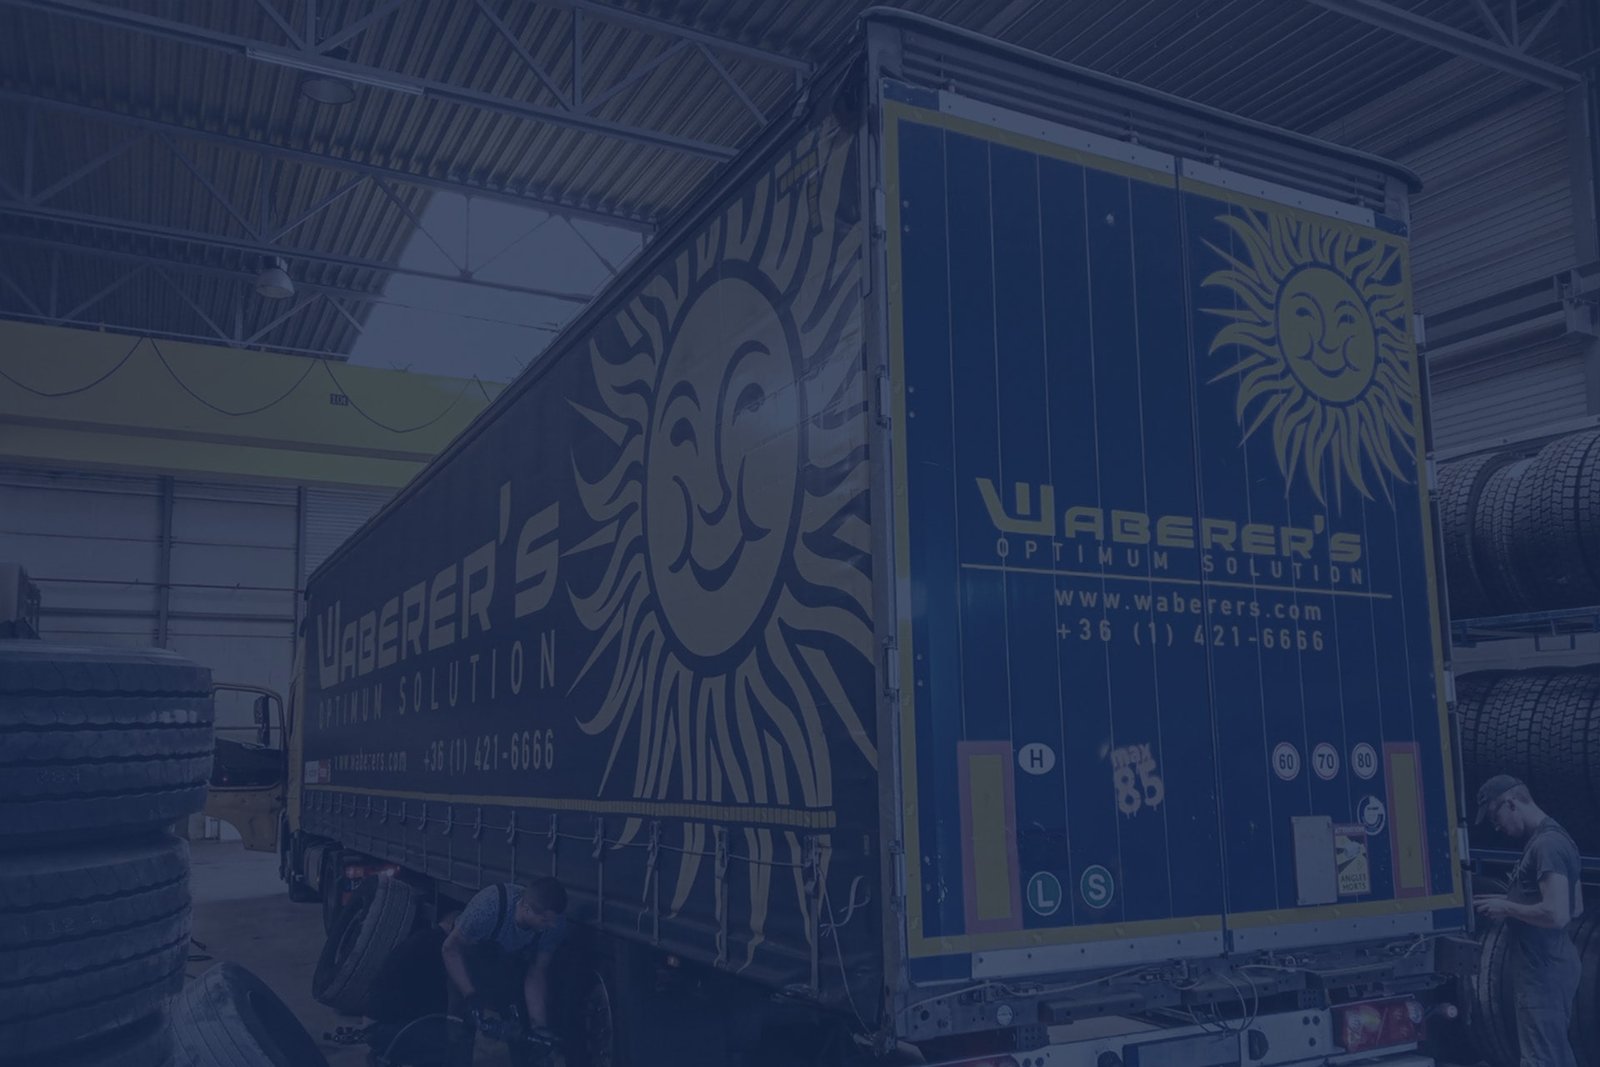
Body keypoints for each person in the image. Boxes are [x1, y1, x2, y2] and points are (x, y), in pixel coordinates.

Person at [1473, 774, 1584, 1067]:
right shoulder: (1557, 837)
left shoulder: (1546, 846)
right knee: (1555, 1054)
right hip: (1553, 963)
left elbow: (1557, 914)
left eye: (1495, 817)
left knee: (1540, 1058)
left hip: (1542, 970)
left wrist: (1507, 907)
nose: (1496, 827)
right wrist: (1514, 902)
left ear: (1511, 804)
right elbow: (1576, 906)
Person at [441, 875, 568, 1065]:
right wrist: (470, 996)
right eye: (544, 920)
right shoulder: (488, 907)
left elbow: (537, 971)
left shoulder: (554, 924)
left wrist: (539, 1026)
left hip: (505, 967)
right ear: (526, 909)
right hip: (466, 961)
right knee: (458, 1028)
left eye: (553, 920)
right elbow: (450, 949)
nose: (552, 925)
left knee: (521, 1031)